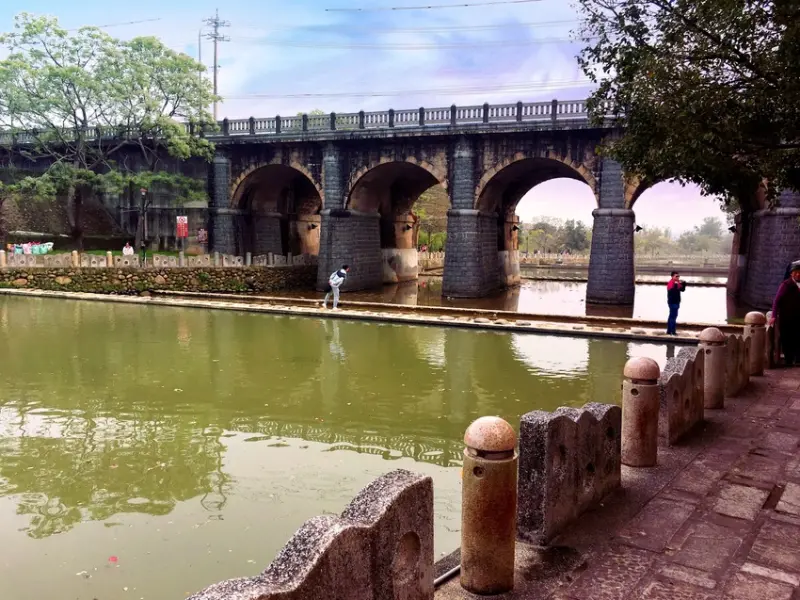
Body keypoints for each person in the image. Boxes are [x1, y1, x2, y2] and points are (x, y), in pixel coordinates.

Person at [770, 264, 800, 366]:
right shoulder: (786, 285)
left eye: (799, 272)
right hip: (787, 317)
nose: (798, 274)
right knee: (787, 339)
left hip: (798, 318)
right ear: (791, 273)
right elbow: (776, 301)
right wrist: (773, 316)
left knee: (798, 338)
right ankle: (789, 361)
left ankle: (797, 360)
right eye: (795, 272)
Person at [666, 271, 687, 336]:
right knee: (673, 317)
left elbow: (682, 290)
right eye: (676, 276)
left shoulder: (677, 282)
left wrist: (684, 284)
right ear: (672, 277)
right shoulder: (670, 283)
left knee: (671, 316)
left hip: (677, 302)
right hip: (672, 302)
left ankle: (669, 331)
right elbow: (672, 292)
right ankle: (673, 332)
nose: (678, 277)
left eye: (678, 276)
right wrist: (676, 284)